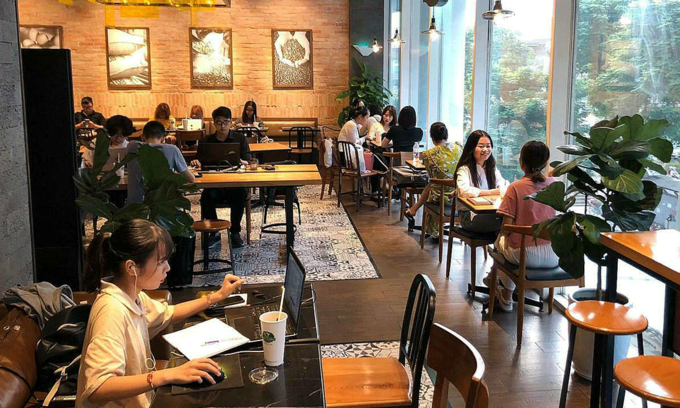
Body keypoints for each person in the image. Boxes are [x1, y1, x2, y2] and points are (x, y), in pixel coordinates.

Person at [76, 219, 245, 408]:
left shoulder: (132, 294)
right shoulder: (111, 311)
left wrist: (215, 297)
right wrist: (164, 375)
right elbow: (98, 387)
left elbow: (168, 313)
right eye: (160, 262)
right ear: (131, 268)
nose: (167, 268)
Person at [484, 141, 558, 311]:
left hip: (525, 255)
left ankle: (506, 295)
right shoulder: (555, 185)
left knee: (500, 242)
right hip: (554, 254)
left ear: (521, 162)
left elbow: (506, 228)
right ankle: (493, 280)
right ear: (545, 162)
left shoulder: (515, 188)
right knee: (506, 245)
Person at [190, 107, 250, 248]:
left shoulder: (240, 138)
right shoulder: (206, 141)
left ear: (231, 122)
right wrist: (196, 162)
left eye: (226, 122)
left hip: (234, 182)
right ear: (214, 123)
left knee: (240, 194)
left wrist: (243, 162)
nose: (222, 126)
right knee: (206, 198)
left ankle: (235, 232)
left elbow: (248, 159)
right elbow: (199, 160)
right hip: (214, 183)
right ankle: (214, 232)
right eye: (219, 122)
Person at [404, 123, 463, 239]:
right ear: (446, 134)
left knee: (431, 185)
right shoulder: (458, 148)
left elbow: (431, 175)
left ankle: (415, 210)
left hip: (439, 197)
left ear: (431, 137)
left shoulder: (428, 155)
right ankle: (414, 210)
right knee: (432, 185)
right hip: (459, 195)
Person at [126, 121, 195, 205]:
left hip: (135, 208)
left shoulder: (132, 146)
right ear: (163, 138)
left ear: (142, 137)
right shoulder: (172, 150)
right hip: (163, 208)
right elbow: (190, 179)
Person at [453, 130, 507, 233]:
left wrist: (502, 188)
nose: (485, 149)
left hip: (489, 212)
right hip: (469, 216)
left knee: (509, 219)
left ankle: (499, 243)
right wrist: (491, 192)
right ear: (472, 148)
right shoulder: (464, 169)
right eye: (481, 146)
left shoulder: (491, 168)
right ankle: (500, 243)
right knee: (506, 222)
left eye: (488, 146)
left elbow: (502, 183)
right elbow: (463, 191)